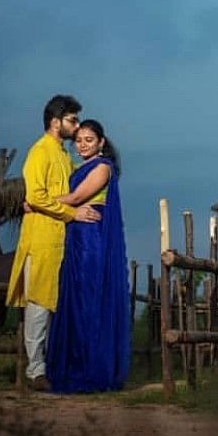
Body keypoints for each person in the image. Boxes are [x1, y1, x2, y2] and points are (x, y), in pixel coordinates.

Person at [6, 95, 101, 391]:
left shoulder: (63, 155)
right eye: (72, 120)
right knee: (39, 306)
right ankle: (36, 371)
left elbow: (72, 186)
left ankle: (59, 365)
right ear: (55, 121)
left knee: (59, 304)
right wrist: (72, 212)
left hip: (63, 240)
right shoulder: (40, 152)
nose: (75, 126)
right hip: (41, 239)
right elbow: (36, 196)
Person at [45, 119, 131, 392]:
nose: (82, 145)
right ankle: (75, 364)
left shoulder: (102, 168)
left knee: (89, 300)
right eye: (78, 140)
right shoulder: (79, 166)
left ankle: (92, 368)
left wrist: (36, 202)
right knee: (73, 299)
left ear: (101, 142)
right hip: (76, 236)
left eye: (89, 140)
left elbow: (75, 197)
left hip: (91, 240)